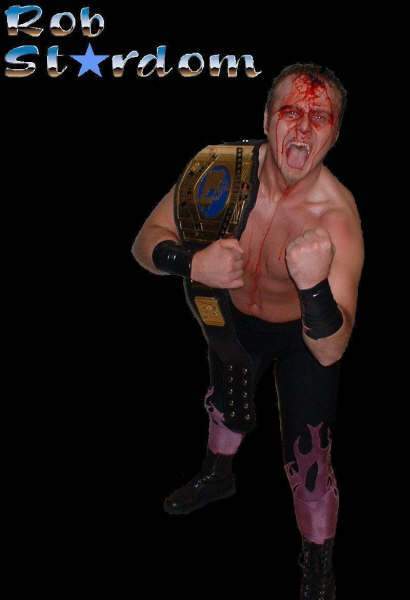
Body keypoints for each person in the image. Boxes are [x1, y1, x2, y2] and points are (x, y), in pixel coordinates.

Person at [131, 63, 364, 599]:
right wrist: (191, 262)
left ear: (335, 135)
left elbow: (332, 347)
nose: (302, 128)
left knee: (310, 456)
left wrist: (313, 288)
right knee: (225, 403)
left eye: (320, 117)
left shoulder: (337, 218)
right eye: (290, 111)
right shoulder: (220, 167)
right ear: (265, 118)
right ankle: (219, 476)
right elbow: (145, 242)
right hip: (235, 319)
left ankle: (318, 562)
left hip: (304, 339)